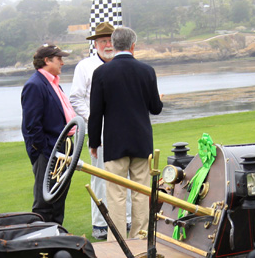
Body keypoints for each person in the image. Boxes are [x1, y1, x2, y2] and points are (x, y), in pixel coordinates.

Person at [88, 26, 163, 241]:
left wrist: (94, 141)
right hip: (141, 140)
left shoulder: (101, 72)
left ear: (113, 44)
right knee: (141, 192)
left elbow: (96, 113)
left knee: (116, 195)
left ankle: (117, 241)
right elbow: (155, 107)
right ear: (133, 46)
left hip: (114, 141)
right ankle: (140, 238)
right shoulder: (146, 71)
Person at [69, 22, 128, 240]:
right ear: (95, 44)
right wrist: (94, 119)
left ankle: (127, 219)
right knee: (102, 177)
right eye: (102, 41)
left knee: (126, 176)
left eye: (110, 40)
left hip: (123, 129)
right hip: (100, 131)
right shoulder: (85, 66)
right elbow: (75, 97)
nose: (107, 44)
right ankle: (101, 224)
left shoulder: (123, 64)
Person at [20, 44, 75, 225]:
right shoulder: (35, 85)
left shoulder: (52, 83)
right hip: (48, 152)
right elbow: (31, 126)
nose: (62, 62)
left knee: (58, 201)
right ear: (47, 60)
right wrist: (45, 151)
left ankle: (58, 239)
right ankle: (42, 245)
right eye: (59, 58)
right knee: (44, 203)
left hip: (61, 149)